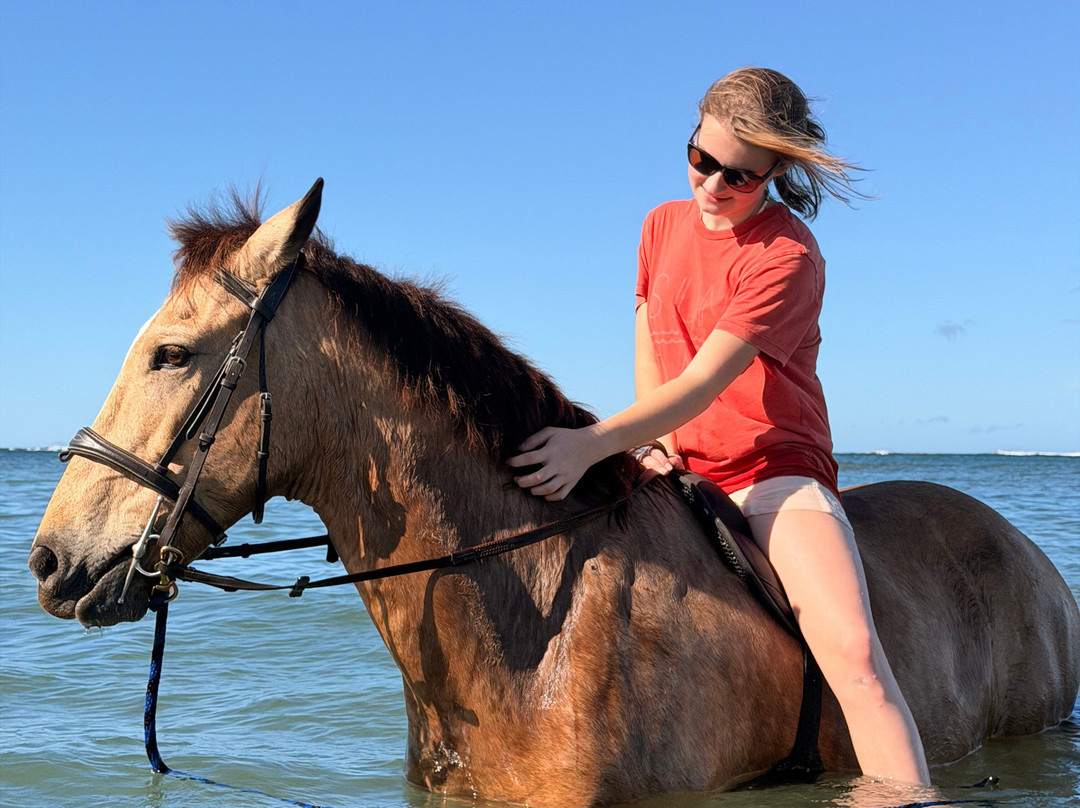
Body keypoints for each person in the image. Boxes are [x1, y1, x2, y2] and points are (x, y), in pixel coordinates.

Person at [507, 67, 931, 786]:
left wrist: (590, 442)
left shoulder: (788, 256)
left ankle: (911, 799)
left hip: (772, 472)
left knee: (856, 659)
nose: (711, 187)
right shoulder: (658, 224)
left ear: (775, 173)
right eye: (701, 160)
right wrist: (649, 446)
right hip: (675, 461)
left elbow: (704, 381)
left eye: (738, 177)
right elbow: (651, 348)